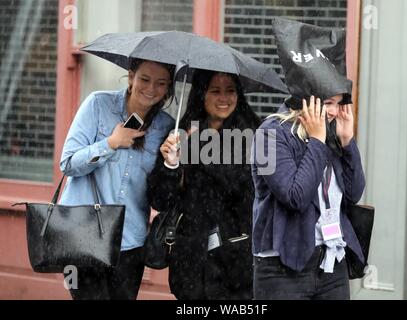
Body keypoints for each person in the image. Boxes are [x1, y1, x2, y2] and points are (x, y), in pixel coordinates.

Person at [59, 58, 175, 300]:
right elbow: (68, 164)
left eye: (161, 83)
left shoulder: (167, 126)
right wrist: (110, 144)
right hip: (81, 235)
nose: (151, 89)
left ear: (168, 88)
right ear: (131, 77)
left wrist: (170, 164)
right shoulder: (98, 104)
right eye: (144, 79)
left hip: (130, 244)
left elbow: (160, 198)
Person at [147, 69, 260, 300]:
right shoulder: (180, 132)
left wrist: (201, 151)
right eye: (215, 91)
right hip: (190, 258)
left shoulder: (253, 135)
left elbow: (246, 193)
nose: (224, 98)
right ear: (201, 94)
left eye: (231, 91)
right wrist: (171, 165)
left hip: (236, 258)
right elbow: (160, 200)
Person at [251, 94, 366, 300]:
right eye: (328, 103)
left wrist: (347, 141)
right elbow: (296, 197)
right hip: (283, 267)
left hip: (331, 261)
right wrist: (316, 141)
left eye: (338, 104)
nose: (333, 111)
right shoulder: (269, 133)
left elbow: (354, 193)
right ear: (306, 99)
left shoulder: (330, 134)